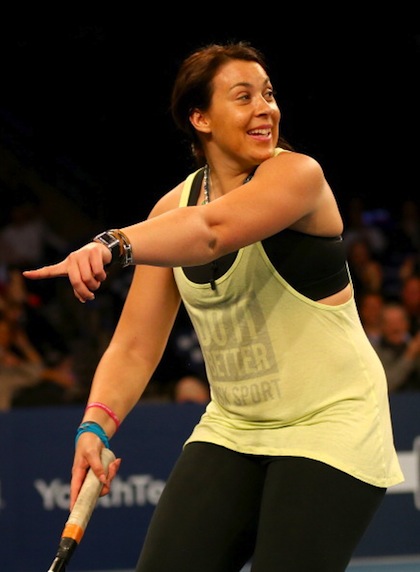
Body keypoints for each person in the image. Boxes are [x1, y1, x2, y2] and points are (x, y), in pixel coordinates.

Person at [23, 41, 403, 571]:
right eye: (244, 97)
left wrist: (113, 243)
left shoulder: (298, 177)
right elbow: (134, 346)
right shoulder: (170, 210)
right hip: (234, 426)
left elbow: (210, 233)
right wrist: (94, 428)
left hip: (331, 423)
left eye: (268, 94)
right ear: (199, 118)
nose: (265, 109)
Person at [372, 301, 420, 392]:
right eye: (389, 323)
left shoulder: (415, 347)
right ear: (381, 326)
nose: (395, 327)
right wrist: (409, 355)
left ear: (407, 324)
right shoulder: (374, 352)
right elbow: (388, 385)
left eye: (400, 321)